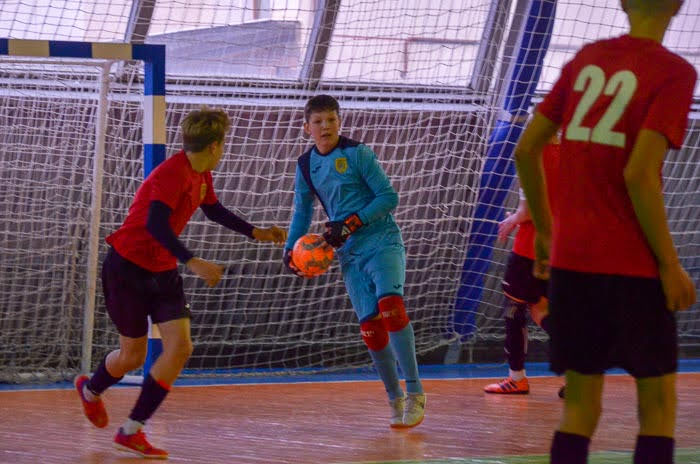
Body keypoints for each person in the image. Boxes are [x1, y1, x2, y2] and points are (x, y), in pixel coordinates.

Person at [514, 0, 697, 462]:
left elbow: (527, 149)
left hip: (573, 264)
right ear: (676, 6)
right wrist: (670, 265)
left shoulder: (585, 60)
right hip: (633, 266)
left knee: (579, 408)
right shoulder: (674, 72)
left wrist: (545, 233)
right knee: (656, 408)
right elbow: (639, 174)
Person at [74, 108, 287, 459]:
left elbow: (213, 210)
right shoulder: (172, 175)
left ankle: (131, 430)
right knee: (132, 356)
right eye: (225, 144)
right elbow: (157, 226)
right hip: (127, 269)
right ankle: (91, 388)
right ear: (216, 146)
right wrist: (194, 261)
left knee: (181, 346)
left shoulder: (201, 173)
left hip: (162, 271)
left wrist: (256, 232)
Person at [283, 94, 426, 428]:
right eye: (318, 121)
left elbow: (389, 197)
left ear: (339, 123)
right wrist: (290, 251)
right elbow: (302, 212)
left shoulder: (358, 153)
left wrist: (350, 224)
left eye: (331, 119)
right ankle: (395, 398)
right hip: (348, 253)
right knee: (371, 328)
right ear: (307, 128)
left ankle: (416, 391)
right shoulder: (305, 166)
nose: (326, 126)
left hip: (382, 242)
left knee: (391, 305)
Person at [484, 135, 565, 397]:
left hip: (530, 248)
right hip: (562, 247)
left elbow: (529, 210)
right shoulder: (576, 155)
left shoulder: (533, 153)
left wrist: (513, 220)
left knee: (514, 309)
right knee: (541, 308)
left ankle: (516, 378)